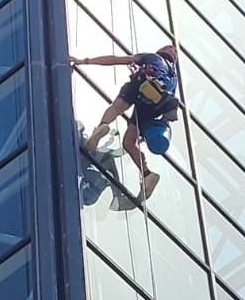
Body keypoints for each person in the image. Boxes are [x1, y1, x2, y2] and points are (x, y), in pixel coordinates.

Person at [71, 44, 179, 199]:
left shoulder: (152, 57)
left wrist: (85, 61)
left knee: (116, 108)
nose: (172, 50)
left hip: (143, 85)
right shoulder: (173, 78)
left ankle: (102, 127)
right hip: (155, 103)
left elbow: (116, 60)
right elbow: (169, 107)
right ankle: (147, 174)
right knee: (129, 143)